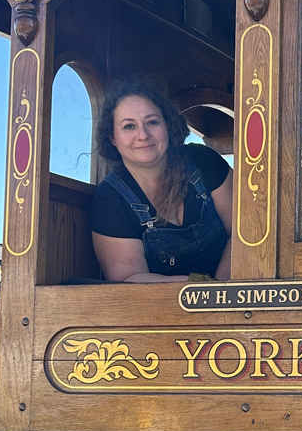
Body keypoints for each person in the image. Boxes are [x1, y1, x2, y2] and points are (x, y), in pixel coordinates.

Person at [89, 82, 232, 283]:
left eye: (152, 122)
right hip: (160, 310)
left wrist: (224, 292)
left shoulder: (204, 161)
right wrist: (199, 288)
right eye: (129, 126)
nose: (143, 135)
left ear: (168, 125)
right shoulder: (111, 200)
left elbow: (243, 234)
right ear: (113, 138)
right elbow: (129, 278)